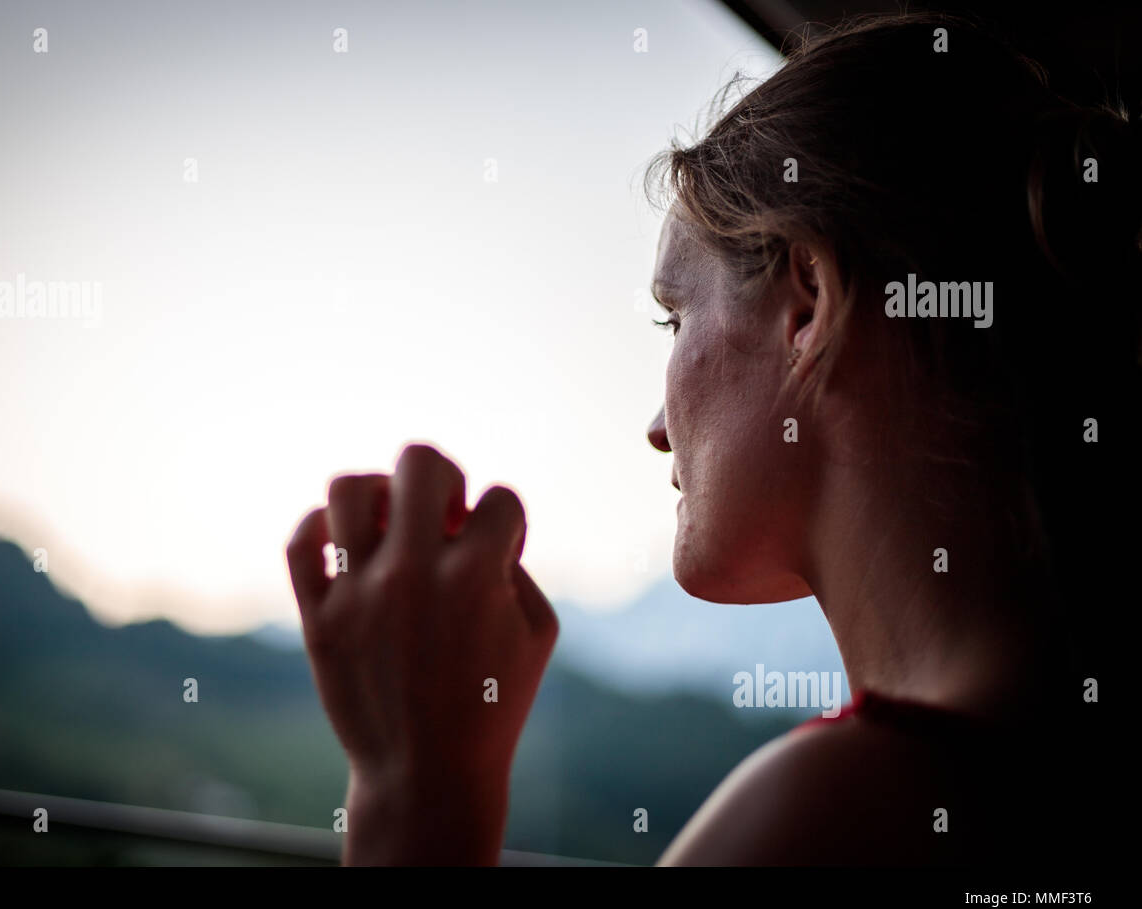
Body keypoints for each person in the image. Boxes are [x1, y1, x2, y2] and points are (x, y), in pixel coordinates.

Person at [286, 12, 1137, 865]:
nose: (657, 430)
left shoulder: (833, 812)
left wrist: (415, 782)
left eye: (675, 315)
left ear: (808, 304)